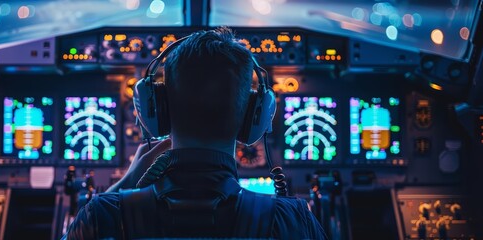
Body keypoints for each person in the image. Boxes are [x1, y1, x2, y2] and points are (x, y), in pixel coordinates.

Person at [62, 27, 327, 239]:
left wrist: (126, 184)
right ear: (253, 116)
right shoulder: (292, 219)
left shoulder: (104, 215)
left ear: (158, 111)